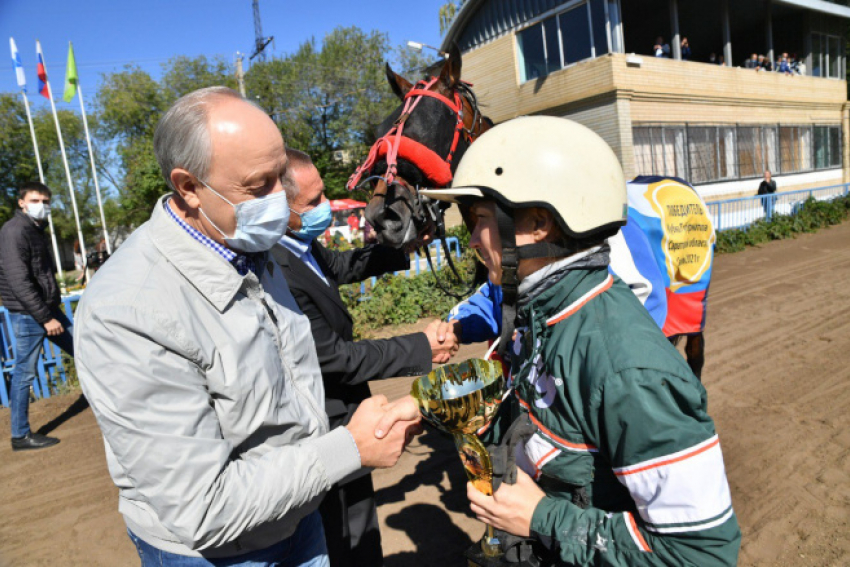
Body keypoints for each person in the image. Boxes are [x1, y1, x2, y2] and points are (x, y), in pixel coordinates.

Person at [73, 87, 421, 566]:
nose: (281, 200)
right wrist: (347, 449)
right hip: (220, 552)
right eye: (259, 186)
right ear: (189, 187)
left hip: (298, 518)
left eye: (280, 176)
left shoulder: (249, 247)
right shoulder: (128, 311)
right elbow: (205, 507)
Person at [420, 116, 741, 565]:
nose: (472, 238)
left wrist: (541, 518)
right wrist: (421, 405)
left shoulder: (628, 370)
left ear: (539, 224)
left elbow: (699, 554)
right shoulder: (539, 315)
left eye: (482, 219)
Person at [272, 149, 458, 567]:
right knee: (347, 535)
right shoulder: (278, 269)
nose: (325, 207)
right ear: (283, 210)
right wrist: (421, 346)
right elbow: (336, 358)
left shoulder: (301, 246)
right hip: (326, 422)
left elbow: (341, 265)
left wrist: (402, 247)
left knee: (361, 523)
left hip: (344, 410)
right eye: (314, 202)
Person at [0, 182, 75, 451]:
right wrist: (45, 318)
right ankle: (20, 436)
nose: (42, 206)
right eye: (35, 200)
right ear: (21, 202)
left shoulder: (34, 230)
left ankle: (113, 403)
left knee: (87, 350)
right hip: (31, 316)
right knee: (24, 374)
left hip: (46, 310)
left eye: (46, 201)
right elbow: (19, 282)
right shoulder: (15, 231)